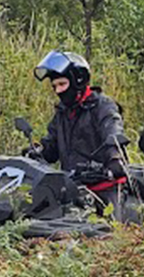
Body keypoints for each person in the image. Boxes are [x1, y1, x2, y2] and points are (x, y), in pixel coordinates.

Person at [31, 50, 129, 214]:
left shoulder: (103, 106)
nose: (58, 91)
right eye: (54, 86)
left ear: (78, 81)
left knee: (111, 228)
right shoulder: (63, 112)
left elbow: (113, 131)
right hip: (73, 188)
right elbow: (51, 147)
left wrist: (114, 159)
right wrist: (38, 150)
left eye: (62, 84)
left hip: (105, 188)